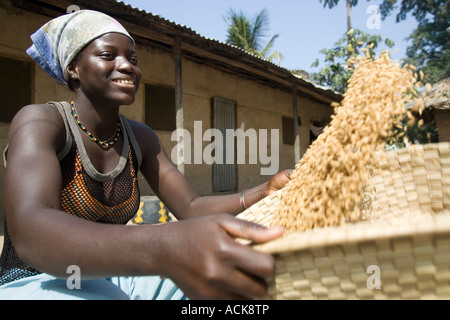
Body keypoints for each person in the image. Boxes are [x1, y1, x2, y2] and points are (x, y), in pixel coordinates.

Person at [0, 10, 291, 300]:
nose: (127, 66)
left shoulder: (141, 138)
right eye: (108, 55)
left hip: (111, 275)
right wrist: (164, 244)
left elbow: (191, 206)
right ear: (74, 68)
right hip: (37, 281)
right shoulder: (41, 123)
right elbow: (30, 227)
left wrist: (262, 191)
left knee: (236, 283)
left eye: (133, 59)